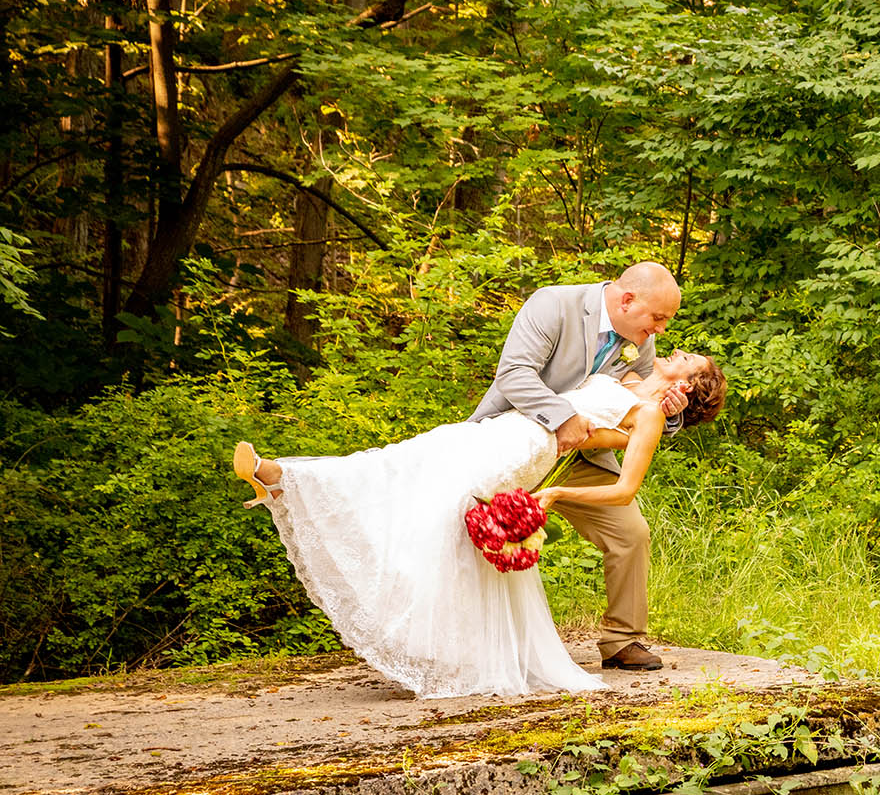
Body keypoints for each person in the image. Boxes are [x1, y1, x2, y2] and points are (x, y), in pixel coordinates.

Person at [233, 352, 726, 699]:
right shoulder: (622, 375)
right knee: (401, 463)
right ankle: (285, 479)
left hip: (522, 451)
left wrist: (555, 492)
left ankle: (283, 478)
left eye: (688, 361)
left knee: (432, 511)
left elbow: (623, 489)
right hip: (499, 428)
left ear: (684, 386)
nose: (676, 350)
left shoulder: (647, 417)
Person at [466, 261, 693, 671]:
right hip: (517, 440)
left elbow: (641, 401)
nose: (660, 330)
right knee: (475, 534)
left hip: (584, 455)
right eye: (658, 318)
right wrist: (562, 419)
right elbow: (514, 374)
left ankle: (623, 639)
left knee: (631, 532)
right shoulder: (553, 304)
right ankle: (471, 639)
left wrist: (672, 414)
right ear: (627, 300)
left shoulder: (640, 339)